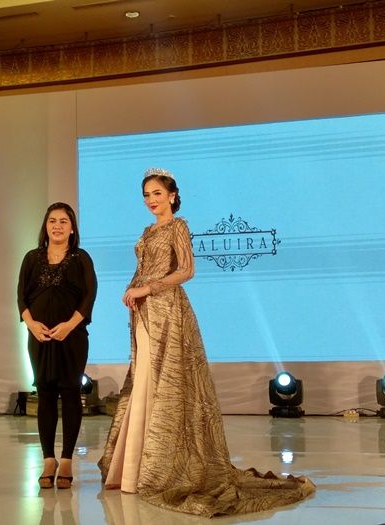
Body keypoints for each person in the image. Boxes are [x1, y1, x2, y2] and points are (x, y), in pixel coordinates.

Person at [98, 168, 315, 516]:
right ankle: (135, 469)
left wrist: (147, 289)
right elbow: (144, 268)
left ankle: (156, 469)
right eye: (146, 195)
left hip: (168, 310)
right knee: (144, 381)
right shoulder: (148, 230)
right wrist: (132, 291)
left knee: (165, 385)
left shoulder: (178, 227)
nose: (151, 200)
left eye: (157, 193)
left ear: (172, 196)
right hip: (144, 312)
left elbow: (187, 270)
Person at [17, 202, 97, 490]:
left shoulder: (81, 258)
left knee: (71, 393)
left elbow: (89, 296)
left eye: (64, 221)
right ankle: (48, 459)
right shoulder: (31, 258)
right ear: (46, 226)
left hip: (72, 336)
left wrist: (69, 325)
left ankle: (66, 460)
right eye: (52, 220)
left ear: (72, 228)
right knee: (46, 395)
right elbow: (21, 297)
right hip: (40, 337)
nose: (58, 226)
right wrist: (31, 324)